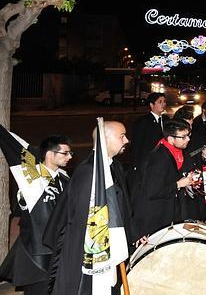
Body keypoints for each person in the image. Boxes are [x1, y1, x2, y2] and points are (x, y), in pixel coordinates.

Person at [46, 121, 134, 295]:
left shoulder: (114, 166)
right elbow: (80, 221)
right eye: (121, 136)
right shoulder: (88, 172)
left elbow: (122, 207)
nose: (127, 140)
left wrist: (132, 234)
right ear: (105, 139)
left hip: (112, 248)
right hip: (90, 253)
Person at [0, 133, 72, 295]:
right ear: (49, 154)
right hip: (36, 250)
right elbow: (13, 145)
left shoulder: (64, 177)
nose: (69, 157)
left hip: (59, 247)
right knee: (37, 290)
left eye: (70, 153)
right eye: (65, 153)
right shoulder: (32, 175)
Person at [132, 120, 201, 238]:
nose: (188, 139)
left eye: (188, 135)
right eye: (183, 137)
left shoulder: (173, 151)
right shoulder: (159, 159)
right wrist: (178, 184)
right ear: (170, 139)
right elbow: (152, 191)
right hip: (156, 215)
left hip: (168, 208)